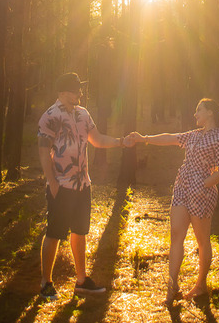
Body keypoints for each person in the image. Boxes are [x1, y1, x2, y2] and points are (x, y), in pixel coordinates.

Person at [127, 98, 219, 307]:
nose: (195, 114)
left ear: (210, 112)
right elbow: (170, 138)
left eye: (198, 110)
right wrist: (144, 138)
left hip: (202, 191)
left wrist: (204, 184)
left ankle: (201, 285)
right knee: (176, 234)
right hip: (182, 186)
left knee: (202, 240)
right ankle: (171, 287)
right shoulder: (193, 135)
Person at [37, 71, 132, 299]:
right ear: (62, 93)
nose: (79, 93)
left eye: (80, 89)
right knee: (54, 233)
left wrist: (121, 142)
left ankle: (81, 281)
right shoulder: (50, 116)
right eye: (74, 90)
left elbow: (97, 140)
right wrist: (52, 182)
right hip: (61, 185)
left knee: (80, 232)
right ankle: (46, 283)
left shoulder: (83, 114)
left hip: (82, 185)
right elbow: (43, 151)